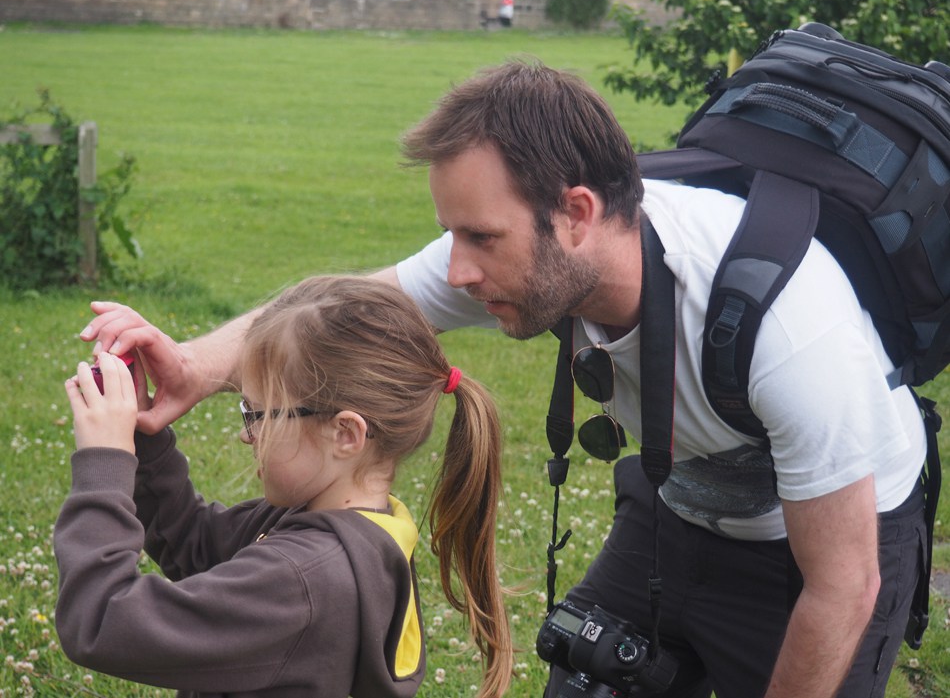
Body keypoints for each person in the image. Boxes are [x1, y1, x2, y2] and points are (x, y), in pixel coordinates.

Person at [80, 61, 928, 698]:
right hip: (678, 503)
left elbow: (843, 584)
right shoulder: (536, 257)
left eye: (480, 238)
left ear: (578, 214)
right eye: (452, 234)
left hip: (815, 550)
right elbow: (338, 305)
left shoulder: (789, 326)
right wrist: (194, 364)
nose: (458, 270)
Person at [56, 275, 513, 698]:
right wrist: (142, 437)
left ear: (346, 434)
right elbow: (195, 544)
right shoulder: (356, 531)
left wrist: (105, 464)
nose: (246, 434)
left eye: (258, 414)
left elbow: (101, 619)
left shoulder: (302, 581)